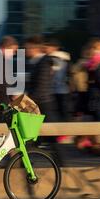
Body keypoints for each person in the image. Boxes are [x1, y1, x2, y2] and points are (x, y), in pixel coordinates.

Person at [25, 35, 63, 165]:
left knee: (49, 141)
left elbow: (41, 88)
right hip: (41, 106)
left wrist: (25, 101)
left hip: (44, 106)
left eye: (27, 48)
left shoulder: (43, 63)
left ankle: (61, 166)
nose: (26, 51)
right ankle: (25, 164)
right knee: (33, 140)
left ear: (33, 47)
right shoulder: (38, 62)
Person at [44, 38, 71, 122]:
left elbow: (56, 75)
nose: (45, 49)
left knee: (60, 114)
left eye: (47, 46)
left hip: (57, 90)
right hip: (63, 90)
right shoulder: (64, 58)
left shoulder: (54, 58)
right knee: (63, 113)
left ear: (54, 48)